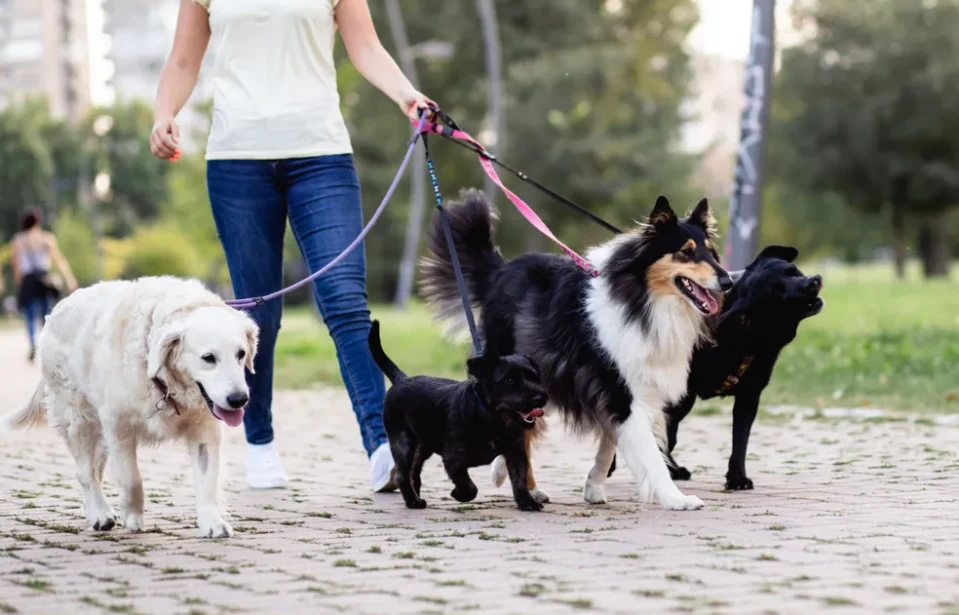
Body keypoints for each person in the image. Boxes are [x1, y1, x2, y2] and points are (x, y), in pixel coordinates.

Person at [150, 0, 435, 492]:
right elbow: (182, 60)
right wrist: (164, 114)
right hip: (237, 162)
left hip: (320, 156)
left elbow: (365, 46)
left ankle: (383, 447)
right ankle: (258, 442)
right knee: (257, 314)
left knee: (345, 300)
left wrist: (407, 95)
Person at [10, 208, 78, 361]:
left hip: (28, 280)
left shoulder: (18, 240)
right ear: (38, 222)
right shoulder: (47, 239)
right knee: (46, 314)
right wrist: (69, 278)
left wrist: (18, 279)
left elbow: (16, 264)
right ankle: (46, 343)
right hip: (44, 279)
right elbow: (60, 261)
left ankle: (33, 343)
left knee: (30, 314)